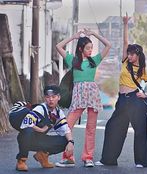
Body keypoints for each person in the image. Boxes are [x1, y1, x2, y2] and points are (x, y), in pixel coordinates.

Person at [95, 14, 147, 168]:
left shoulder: (142, 69)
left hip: (136, 100)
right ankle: (108, 159)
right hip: (122, 100)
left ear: (138, 55)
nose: (129, 56)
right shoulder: (124, 62)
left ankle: (141, 162)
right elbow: (125, 42)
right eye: (128, 53)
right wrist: (125, 24)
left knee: (140, 131)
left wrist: (146, 94)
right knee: (112, 128)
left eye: (132, 54)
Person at [55, 28, 111, 167]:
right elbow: (58, 46)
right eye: (88, 48)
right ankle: (68, 157)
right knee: (67, 126)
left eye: (91, 48)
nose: (91, 50)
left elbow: (108, 45)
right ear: (80, 49)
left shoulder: (95, 61)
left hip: (92, 95)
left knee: (91, 128)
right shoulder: (73, 61)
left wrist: (94, 34)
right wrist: (73, 37)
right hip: (78, 95)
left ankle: (88, 157)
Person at [9, 85, 74, 171]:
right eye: (48, 97)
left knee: (65, 141)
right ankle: (21, 160)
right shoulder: (40, 108)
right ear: (44, 98)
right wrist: (41, 130)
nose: (50, 99)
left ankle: (42, 155)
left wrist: (70, 142)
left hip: (38, 138)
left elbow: (65, 130)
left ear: (59, 97)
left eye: (53, 97)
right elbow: (27, 124)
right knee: (28, 130)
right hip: (26, 137)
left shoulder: (58, 113)